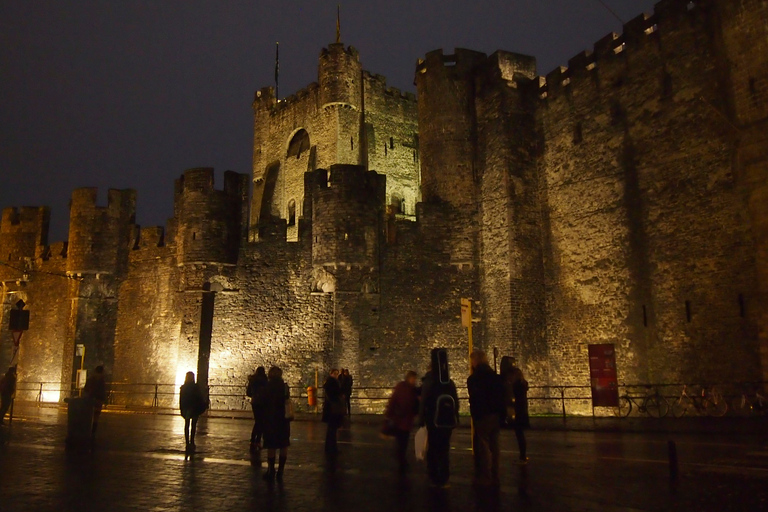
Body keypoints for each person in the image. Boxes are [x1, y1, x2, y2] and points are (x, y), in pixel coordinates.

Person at [420, 348, 459, 488]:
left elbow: (423, 402)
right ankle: (444, 478)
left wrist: (421, 420)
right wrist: (455, 417)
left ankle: (433, 476)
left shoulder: (429, 382)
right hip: (447, 421)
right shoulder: (449, 382)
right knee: (444, 449)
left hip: (433, 420)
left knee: (433, 448)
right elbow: (456, 401)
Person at [467, 350, 505, 487]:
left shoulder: (474, 379)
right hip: (495, 415)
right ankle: (495, 474)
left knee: (483, 447)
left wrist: (475, 414)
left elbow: (475, 398)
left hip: (482, 416)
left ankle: (486, 476)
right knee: (495, 446)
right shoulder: (495, 377)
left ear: (475, 361)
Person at [384, 370, 419, 473]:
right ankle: (401, 461)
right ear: (409, 378)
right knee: (402, 442)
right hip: (400, 421)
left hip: (406, 421)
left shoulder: (411, 389)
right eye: (413, 378)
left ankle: (401, 459)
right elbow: (393, 401)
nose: (414, 381)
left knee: (403, 442)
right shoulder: (404, 388)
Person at [262, 366, 291, 482]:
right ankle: (281, 470)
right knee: (283, 444)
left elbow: (263, 402)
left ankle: (271, 470)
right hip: (283, 418)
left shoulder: (267, 387)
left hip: (271, 419)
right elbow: (287, 400)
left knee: (271, 445)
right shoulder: (284, 387)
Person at [179, 371, 207, 450]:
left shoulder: (184, 387)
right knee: (193, 425)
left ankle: (188, 442)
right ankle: (191, 441)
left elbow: (181, 399)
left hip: (187, 408)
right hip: (194, 408)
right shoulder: (195, 387)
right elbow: (199, 397)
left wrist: (181, 408)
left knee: (187, 425)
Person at [509, 367, 530, 464]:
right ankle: (523, 456)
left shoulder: (516, 386)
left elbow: (514, 399)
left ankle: (522, 457)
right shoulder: (523, 384)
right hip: (523, 411)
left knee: (519, 435)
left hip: (518, 412)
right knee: (520, 435)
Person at [322, 369, 345, 455]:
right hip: (333, 408)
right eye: (334, 373)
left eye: (337, 373)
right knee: (332, 429)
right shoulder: (332, 382)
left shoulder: (332, 382)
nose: (336, 375)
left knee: (332, 429)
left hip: (332, 408)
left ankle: (331, 447)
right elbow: (334, 393)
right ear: (331, 374)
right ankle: (331, 448)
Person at [247, 366, 268, 450]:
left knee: (257, 421)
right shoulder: (265, 380)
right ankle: (257, 441)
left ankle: (253, 440)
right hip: (263, 402)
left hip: (255, 402)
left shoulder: (252, 380)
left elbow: (248, 393)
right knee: (261, 422)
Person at [83, 365, 107, 437]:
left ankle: (86, 430)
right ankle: (93, 431)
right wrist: (104, 399)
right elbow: (102, 390)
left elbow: (86, 388)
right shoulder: (101, 380)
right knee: (96, 416)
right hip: (98, 400)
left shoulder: (90, 379)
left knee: (88, 415)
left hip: (89, 399)